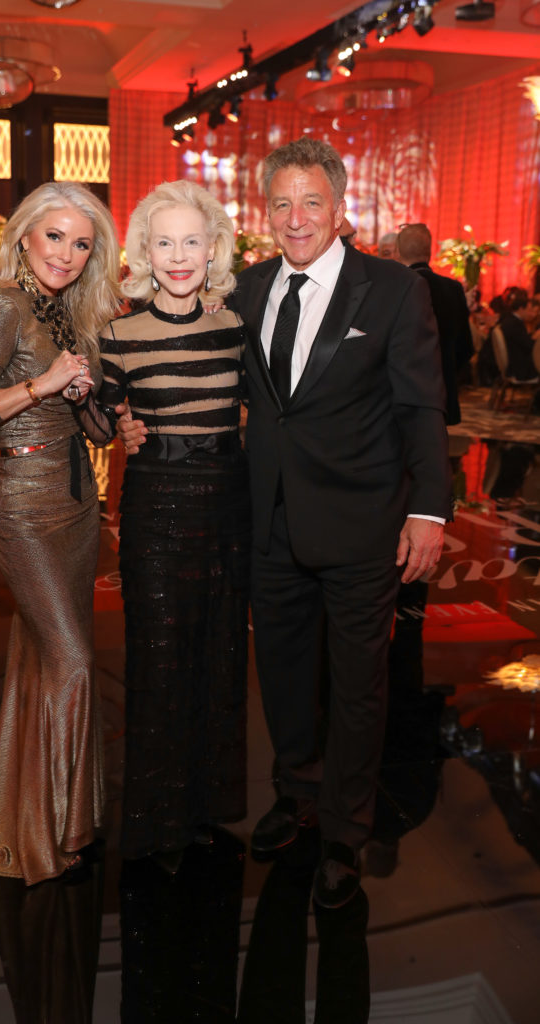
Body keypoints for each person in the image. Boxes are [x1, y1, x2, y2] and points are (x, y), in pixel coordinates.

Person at [119, 139, 451, 907]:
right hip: (264, 520)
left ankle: (344, 829)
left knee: (360, 686)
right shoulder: (246, 288)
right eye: (280, 203)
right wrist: (129, 414)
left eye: (310, 202)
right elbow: (176, 345)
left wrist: (428, 509)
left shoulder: (393, 290)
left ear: (339, 208)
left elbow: (420, 406)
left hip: (365, 523)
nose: (295, 218)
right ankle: (296, 793)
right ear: (263, 214)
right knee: (283, 672)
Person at [0, 181, 120, 885]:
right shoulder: (1, 306)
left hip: (76, 503)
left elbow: (93, 423)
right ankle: (53, 826)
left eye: (81, 244)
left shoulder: (68, 313)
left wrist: (94, 405)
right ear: (23, 237)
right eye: (55, 237)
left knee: (42, 657)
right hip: (19, 506)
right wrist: (45, 386)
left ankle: (46, 810)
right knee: (74, 662)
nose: (67, 255)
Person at [98, 180, 250, 870]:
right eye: (165, 242)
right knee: (157, 655)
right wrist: (110, 416)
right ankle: (155, 814)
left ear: (213, 247)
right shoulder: (117, 333)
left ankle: (208, 801)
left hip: (226, 503)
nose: (179, 255)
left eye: (193, 240)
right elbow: (96, 417)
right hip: (155, 507)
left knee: (218, 652)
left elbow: (269, 412)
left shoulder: (234, 328)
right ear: (144, 252)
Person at [396, 222, 473, 424]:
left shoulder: (395, 288)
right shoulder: (453, 288)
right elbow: (466, 346)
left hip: (401, 396)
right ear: (430, 252)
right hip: (443, 391)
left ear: (398, 252)